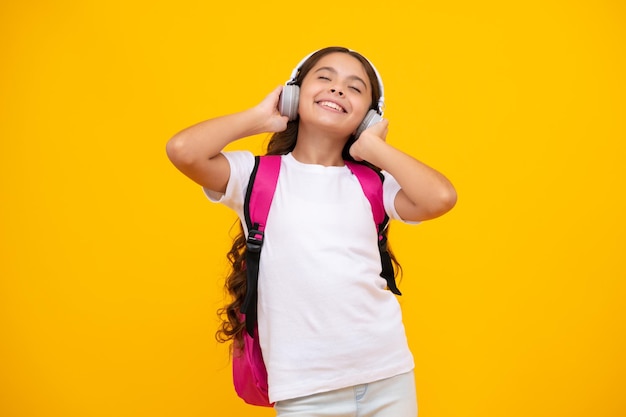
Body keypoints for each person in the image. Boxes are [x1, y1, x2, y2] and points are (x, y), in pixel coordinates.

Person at [166, 46, 457, 417]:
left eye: (355, 87)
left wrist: (375, 150)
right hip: (305, 388)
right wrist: (259, 118)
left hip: (388, 373)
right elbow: (182, 150)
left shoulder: (373, 184)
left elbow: (441, 197)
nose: (337, 89)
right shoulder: (253, 176)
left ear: (369, 117)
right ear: (293, 95)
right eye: (324, 77)